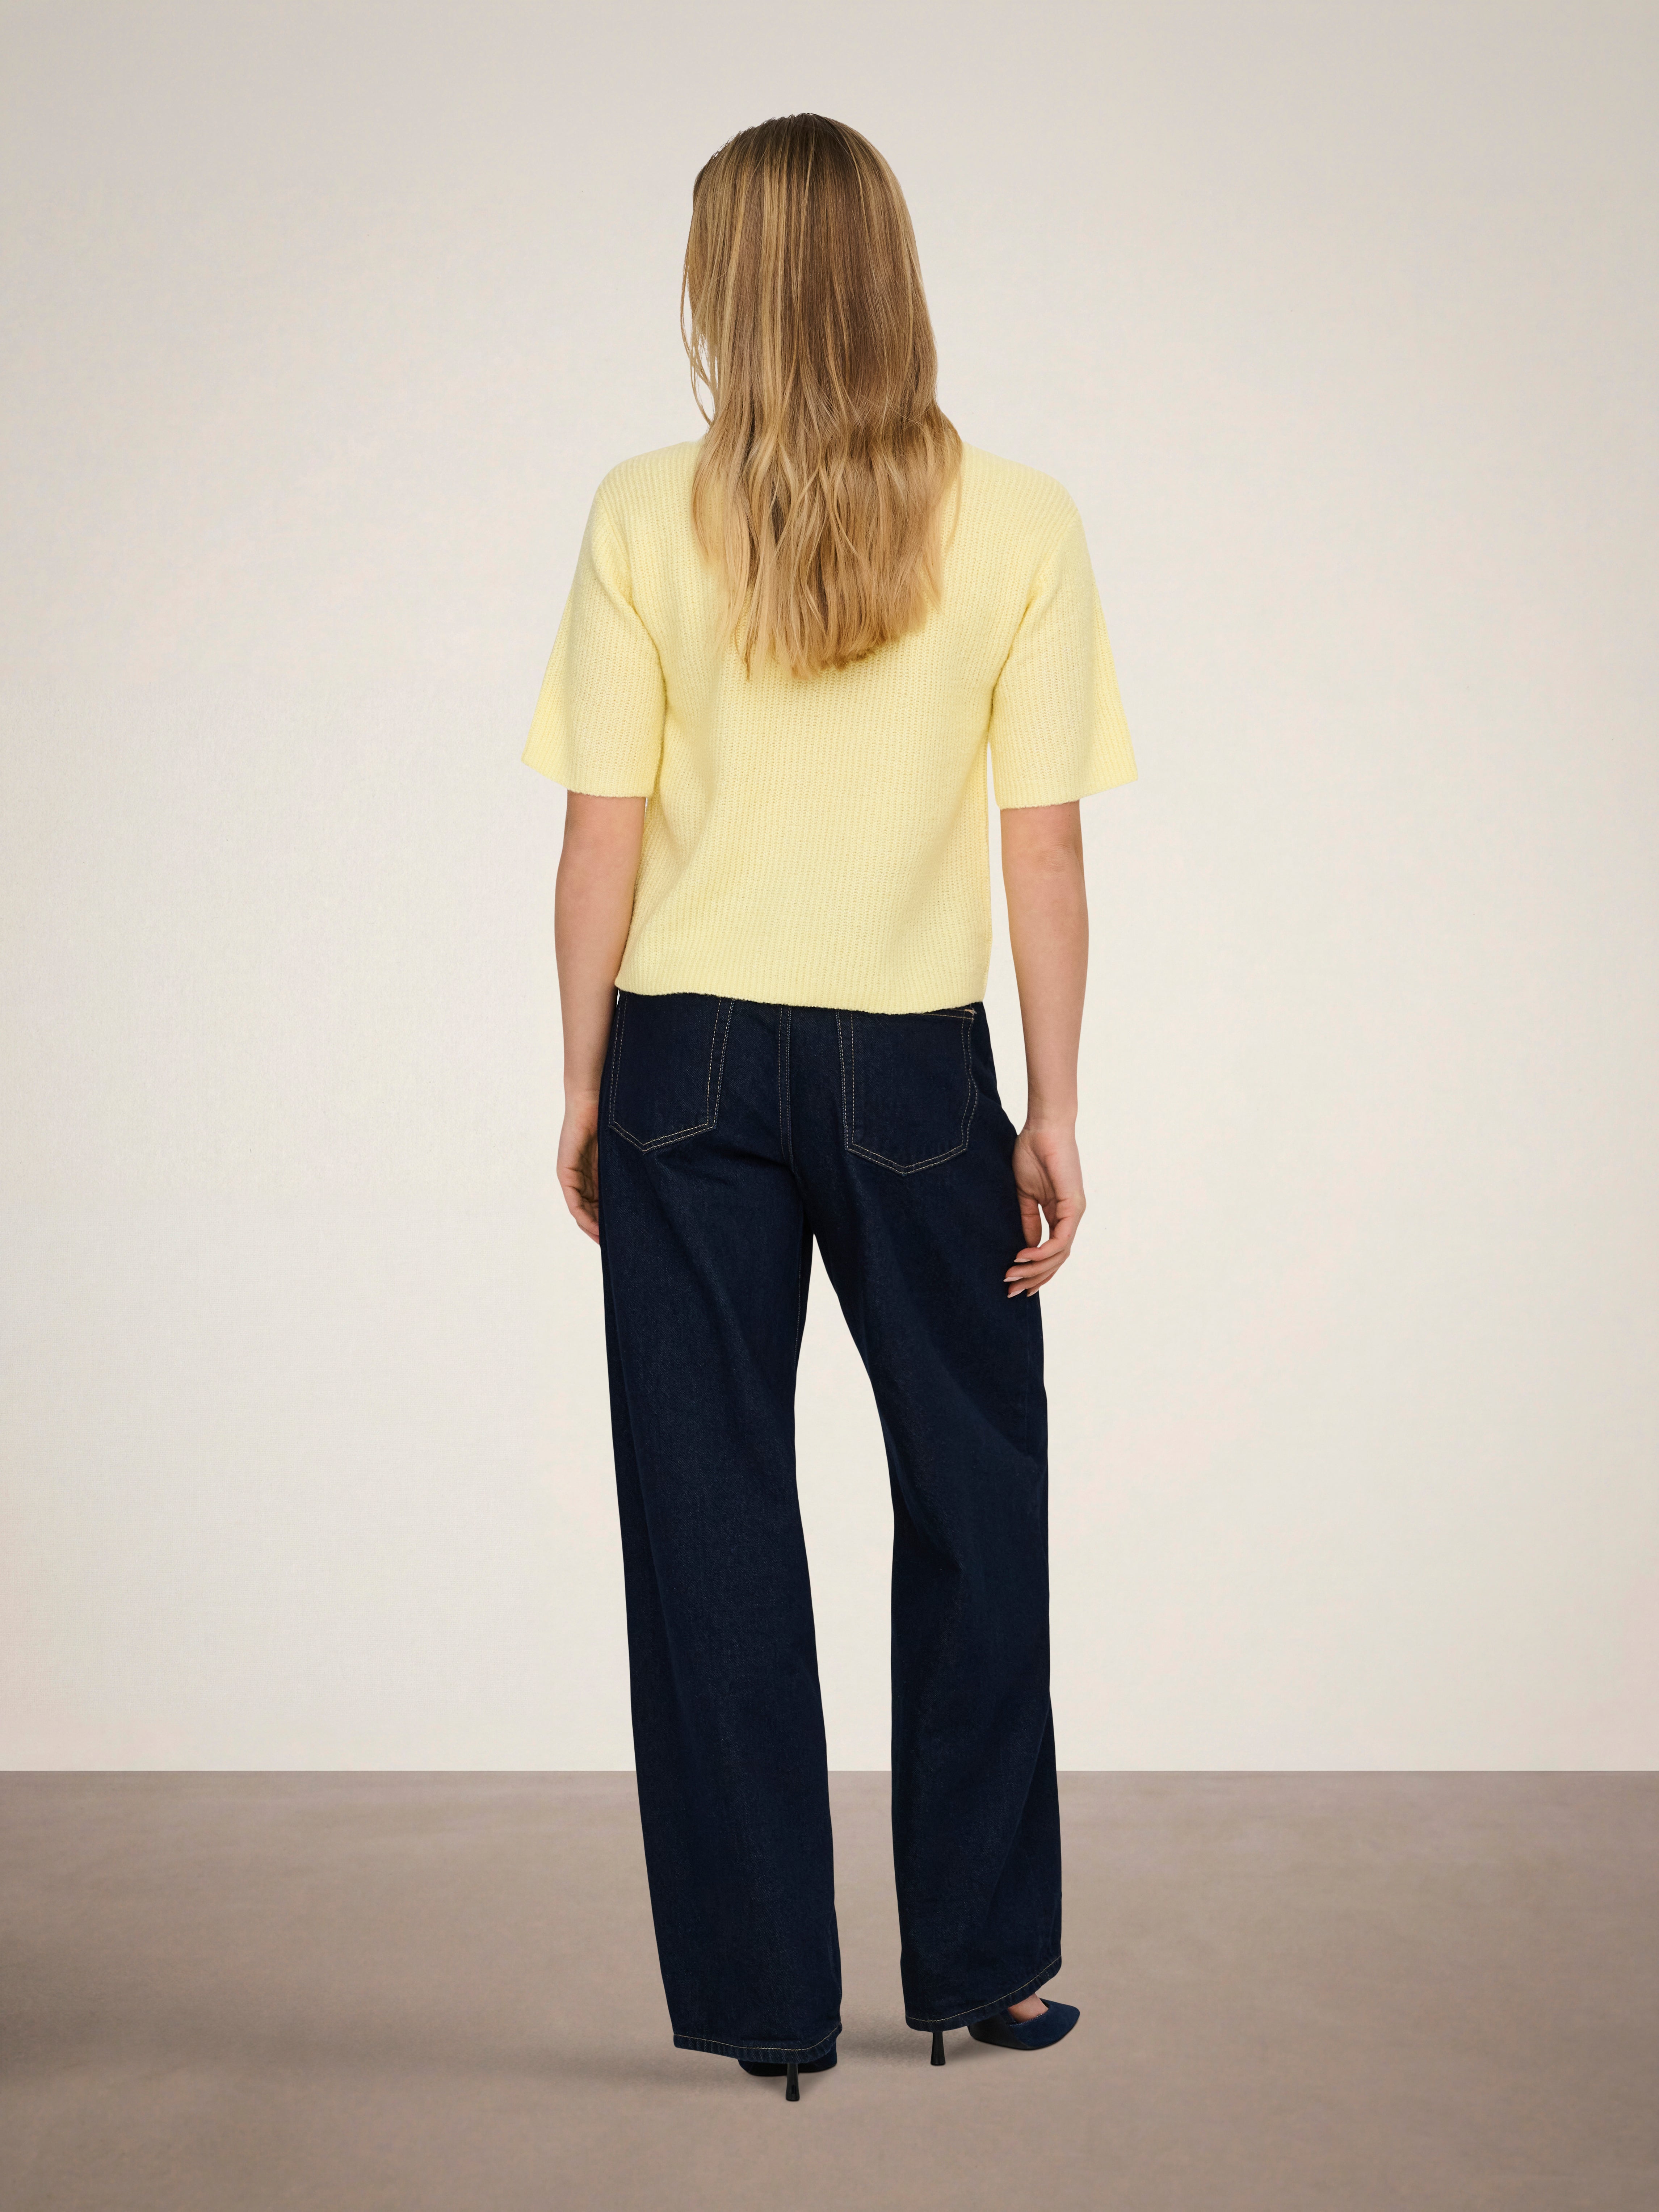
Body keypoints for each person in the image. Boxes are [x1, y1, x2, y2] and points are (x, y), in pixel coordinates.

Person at [522, 113, 1137, 2100]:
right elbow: (1041, 851)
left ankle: (768, 2005)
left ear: (726, 285)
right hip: (912, 1068)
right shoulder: (1020, 521)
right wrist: (1053, 1106)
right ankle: (983, 1968)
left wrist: (583, 1080)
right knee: (974, 1501)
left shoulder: (644, 510)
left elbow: (599, 837)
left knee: (706, 1518)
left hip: (682, 1058)